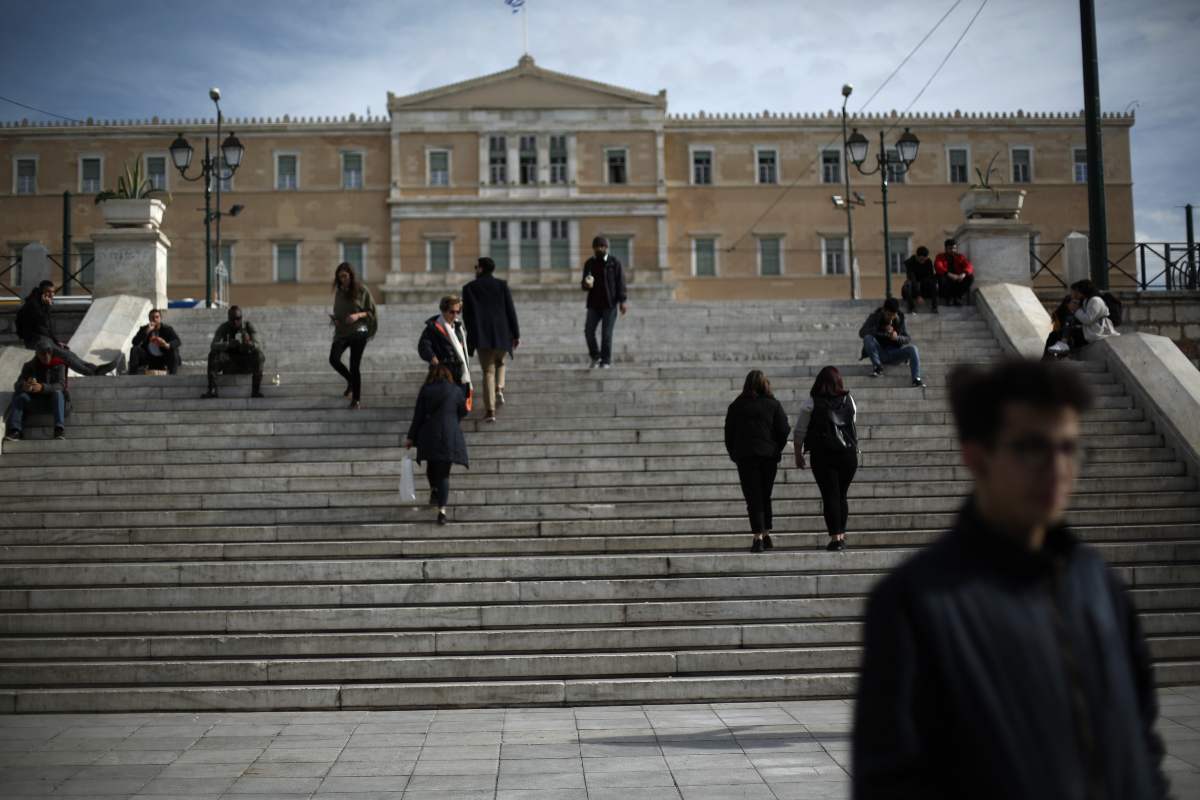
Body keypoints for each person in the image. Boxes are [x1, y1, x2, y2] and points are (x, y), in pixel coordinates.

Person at [853, 360, 1168, 799]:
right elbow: (890, 782)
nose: (1059, 469)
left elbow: (1140, 741)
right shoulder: (915, 603)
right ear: (976, 456)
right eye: (1034, 448)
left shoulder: (1099, 584)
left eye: (1070, 449)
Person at [724, 370, 791, 553]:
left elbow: (728, 433)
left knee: (753, 498)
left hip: (746, 458)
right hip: (768, 456)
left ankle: (758, 538)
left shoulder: (736, 406)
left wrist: (734, 453)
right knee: (765, 495)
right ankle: (766, 535)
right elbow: (784, 429)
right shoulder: (774, 405)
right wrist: (776, 448)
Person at [793, 366, 858, 551]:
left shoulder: (810, 403)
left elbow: (799, 432)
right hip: (847, 454)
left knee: (830, 495)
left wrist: (798, 455)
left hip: (822, 454)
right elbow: (852, 423)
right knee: (842, 494)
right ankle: (842, 536)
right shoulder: (848, 400)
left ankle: (835, 538)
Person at [404, 363, 469, 525]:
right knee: (444, 473)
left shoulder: (426, 389)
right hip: (449, 435)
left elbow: (418, 415)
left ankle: (433, 489)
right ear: (448, 375)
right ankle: (442, 511)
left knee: (431, 462)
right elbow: (463, 411)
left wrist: (411, 437)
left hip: (429, 433)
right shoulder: (456, 390)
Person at [15, 280, 119, 377]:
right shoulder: (32, 304)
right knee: (65, 355)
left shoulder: (42, 305)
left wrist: (56, 342)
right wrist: (48, 307)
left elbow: (48, 329)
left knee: (70, 353)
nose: (51, 295)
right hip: (35, 340)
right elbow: (44, 321)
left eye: (53, 292)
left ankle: (94, 367)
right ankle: (91, 372)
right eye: (48, 292)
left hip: (44, 338)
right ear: (40, 291)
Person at [461, 257, 520, 422]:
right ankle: (499, 388)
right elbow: (511, 311)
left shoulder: (469, 288)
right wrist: (516, 335)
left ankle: (490, 411)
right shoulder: (502, 285)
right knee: (500, 362)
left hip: (481, 334)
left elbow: (467, 316)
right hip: (501, 332)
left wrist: (472, 333)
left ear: (480, 269)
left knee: (488, 370)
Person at [328, 262, 377, 410]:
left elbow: (371, 312)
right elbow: (338, 311)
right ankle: (350, 381)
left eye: (344, 276)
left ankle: (356, 400)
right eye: (339, 277)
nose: (342, 279)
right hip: (342, 332)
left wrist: (357, 315)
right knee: (334, 359)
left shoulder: (362, 290)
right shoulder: (339, 293)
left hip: (359, 331)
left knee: (354, 366)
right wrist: (335, 320)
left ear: (351, 275)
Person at [4, 342, 69, 441]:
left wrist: (42, 387)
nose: (46, 356)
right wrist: (23, 386)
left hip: (51, 402)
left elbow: (60, 385)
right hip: (34, 402)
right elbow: (17, 384)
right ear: (37, 354)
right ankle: (15, 430)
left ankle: (59, 429)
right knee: (18, 394)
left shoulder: (59, 365)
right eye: (43, 353)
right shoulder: (29, 366)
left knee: (58, 393)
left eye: (49, 352)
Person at [581, 235, 627, 369]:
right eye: (596, 247)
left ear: (606, 247)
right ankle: (595, 356)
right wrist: (586, 285)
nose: (599, 249)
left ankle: (605, 361)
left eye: (601, 246)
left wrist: (622, 301)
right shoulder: (589, 263)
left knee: (606, 334)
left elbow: (621, 283)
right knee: (588, 331)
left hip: (610, 304)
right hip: (594, 304)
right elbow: (583, 284)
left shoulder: (614, 262)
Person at [418, 295, 472, 407]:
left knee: (460, 407)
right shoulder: (433, 328)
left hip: (459, 373)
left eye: (458, 312)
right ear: (443, 310)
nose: (455, 315)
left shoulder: (458, 328)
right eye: (452, 312)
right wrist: (431, 356)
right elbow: (424, 345)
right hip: (443, 373)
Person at [202, 306, 265, 399]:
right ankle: (212, 389)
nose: (236, 321)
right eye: (232, 319)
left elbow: (257, 345)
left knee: (258, 354)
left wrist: (248, 342)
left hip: (246, 361)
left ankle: (256, 389)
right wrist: (228, 344)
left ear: (241, 318)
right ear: (228, 319)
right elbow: (214, 345)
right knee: (213, 354)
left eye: (238, 319)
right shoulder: (223, 328)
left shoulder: (249, 326)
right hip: (229, 361)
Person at [858, 297, 923, 387]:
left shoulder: (901, 319)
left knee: (913, 349)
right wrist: (878, 329)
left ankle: (916, 379)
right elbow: (862, 332)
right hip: (880, 352)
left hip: (895, 353)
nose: (891, 318)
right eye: (889, 314)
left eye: (894, 315)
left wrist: (897, 338)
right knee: (868, 338)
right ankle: (878, 368)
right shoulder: (874, 317)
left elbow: (908, 338)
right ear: (884, 310)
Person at [128, 308, 181, 375]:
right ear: (149, 319)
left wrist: (166, 345)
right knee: (135, 349)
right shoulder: (145, 329)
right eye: (152, 317)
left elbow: (177, 341)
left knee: (174, 350)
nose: (155, 319)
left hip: (163, 359)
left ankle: (173, 376)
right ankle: (133, 375)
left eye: (157, 317)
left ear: (160, 318)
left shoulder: (167, 329)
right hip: (150, 359)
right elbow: (135, 342)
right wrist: (146, 332)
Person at [934, 237, 974, 306]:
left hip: (956, 284)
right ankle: (948, 299)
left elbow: (969, 266)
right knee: (939, 276)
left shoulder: (960, 257)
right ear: (945, 249)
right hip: (945, 286)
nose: (952, 250)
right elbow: (938, 266)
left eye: (954, 248)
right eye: (950, 248)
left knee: (970, 277)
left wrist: (964, 274)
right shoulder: (940, 256)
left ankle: (958, 298)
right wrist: (950, 275)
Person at [901, 246, 938, 314]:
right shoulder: (910, 263)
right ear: (916, 256)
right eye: (921, 260)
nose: (923, 262)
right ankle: (912, 309)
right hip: (913, 288)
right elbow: (911, 278)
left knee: (934, 283)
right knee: (908, 284)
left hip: (924, 287)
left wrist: (921, 283)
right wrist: (918, 296)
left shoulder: (928, 262)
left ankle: (935, 308)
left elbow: (931, 276)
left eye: (924, 260)